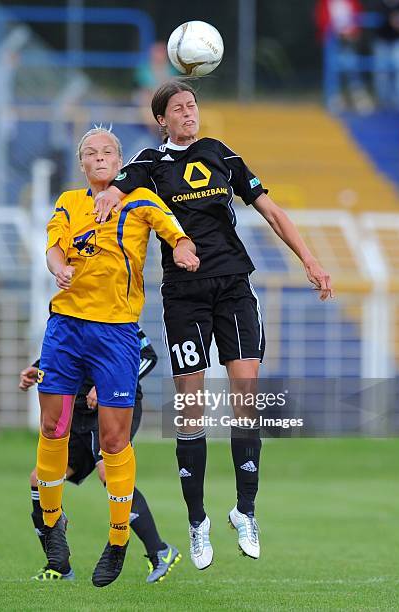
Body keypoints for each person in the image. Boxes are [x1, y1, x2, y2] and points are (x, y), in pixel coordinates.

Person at [93, 79, 334, 571]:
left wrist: (309, 258)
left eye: (193, 105)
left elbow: (270, 209)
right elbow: (113, 191)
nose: (189, 113)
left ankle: (245, 510)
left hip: (233, 285)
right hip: (183, 295)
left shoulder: (221, 153)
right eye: (178, 108)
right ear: (161, 119)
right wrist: (106, 199)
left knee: (246, 398)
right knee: (191, 408)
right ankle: (197, 521)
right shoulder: (149, 163)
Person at [35, 125, 198, 588]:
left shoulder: (141, 199)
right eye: (91, 152)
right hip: (65, 327)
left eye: (108, 151)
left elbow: (176, 234)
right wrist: (59, 266)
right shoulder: (70, 201)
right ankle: (52, 530)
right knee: (52, 427)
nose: (99, 156)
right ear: (82, 164)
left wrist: (185, 249)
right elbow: (52, 246)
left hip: (116, 333)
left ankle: (120, 538)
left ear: (120, 161)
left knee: (113, 441)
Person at [21, 328, 181, 583]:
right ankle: (59, 565)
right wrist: (38, 367)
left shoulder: (116, 311)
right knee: (38, 479)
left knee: (107, 470)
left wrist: (107, 385)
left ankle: (159, 550)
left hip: (113, 406)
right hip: (79, 412)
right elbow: (71, 354)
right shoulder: (74, 313)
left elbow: (148, 356)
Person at [373, 0, 399, 111]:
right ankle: (385, 102)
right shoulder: (379, 4)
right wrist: (391, 17)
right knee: (382, 72)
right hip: (382, 41)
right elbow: (385, 18)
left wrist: (396, 19)